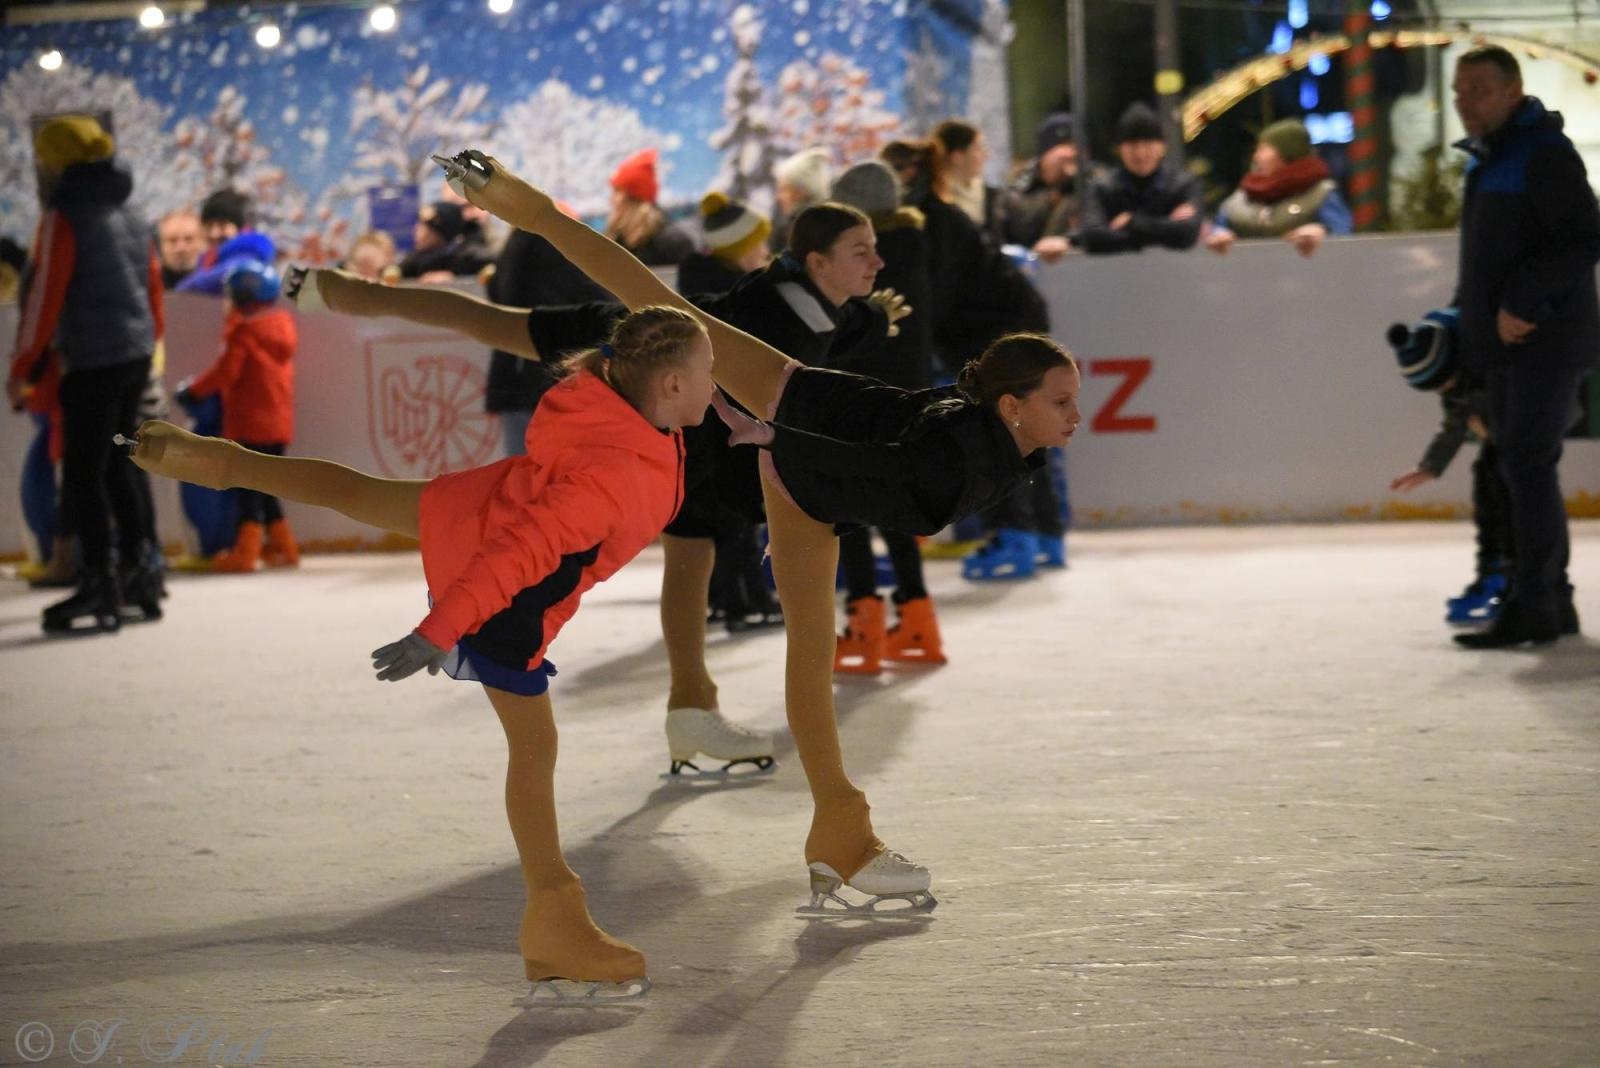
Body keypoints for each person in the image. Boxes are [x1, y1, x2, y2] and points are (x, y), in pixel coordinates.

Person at [459, 152, 1082, 914]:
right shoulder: (958, 450)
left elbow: (883, 469)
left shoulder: (1003, 445)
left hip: (816, 478)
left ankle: (836, 828)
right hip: (801, 416)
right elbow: (871, 457)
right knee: (652, 299)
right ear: (1014, 407)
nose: (1077, 417)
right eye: (1061, 401)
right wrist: (767, 437)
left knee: (811, 651)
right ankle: (525, 205)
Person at [128, 303, 712, 1000]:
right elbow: (515, 556)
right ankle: (554, 918)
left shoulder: (626, 412)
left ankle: (217, 461)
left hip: (478, 504)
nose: (718, 383)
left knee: (356, 492)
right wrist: (438, 631)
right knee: (535, 751)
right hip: (501, 597)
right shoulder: (610, 474)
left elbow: (648, 460)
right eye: (709, 372)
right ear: (671, 386)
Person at [285, 198, 901, 775]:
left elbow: (815, 352)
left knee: (692, 554)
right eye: (861, 250)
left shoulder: (818, 306)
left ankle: (692, 705)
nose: (877, 261)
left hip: (675, 424)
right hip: (634, 365)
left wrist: (870, 320)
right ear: (817, 263)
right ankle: (341, 289)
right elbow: (762, 358)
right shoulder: (772, 302)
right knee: (483, 320)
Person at [1448, 45, 1597, 648]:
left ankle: (1536, 600)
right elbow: (1483, 262)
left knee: (1526, 465)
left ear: (1513, 92)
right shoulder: (1488, 160)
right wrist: (1464, 329)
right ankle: (1550, 600)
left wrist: (1522, 303)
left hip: (1545, 338)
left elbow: (1586, 238)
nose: (1465, 102)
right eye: (1460, 92)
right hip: (1507, 342)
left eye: (1478, 90)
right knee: (1521, 464)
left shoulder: (1544, 154)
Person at [5, 115, 164, 632]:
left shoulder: (63, 217)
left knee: (82, 472)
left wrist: (22, 366)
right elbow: (152, 289)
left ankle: (99, 580)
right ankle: (141, 571)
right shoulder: (132, 211)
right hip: (133, 357)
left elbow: (44, 295)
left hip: (93, 363)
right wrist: (147, 341)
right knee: (120, 459)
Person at [880, 138, 1064, 577]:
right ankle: (1045, 535)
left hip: (994, 328)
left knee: (1000, 431)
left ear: (907, 174)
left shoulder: (927, 222)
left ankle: (1015, 536)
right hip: (1009, 319)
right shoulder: (936, 215)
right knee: (1024, 426)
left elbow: (935, 298)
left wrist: (912, 350)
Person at [826, 160, 944, 673]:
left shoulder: (858, 259)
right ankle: (917, 617)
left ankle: (863, 627)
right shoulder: (913, 250)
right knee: (894, 506)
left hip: (858, 395)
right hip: (907, 394)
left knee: (846, 509)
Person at [1385, 308, 1512, 624]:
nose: (1444, 389)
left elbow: (1527, 418)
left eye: (1445, 381)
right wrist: (1430, 466)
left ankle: (1516, 578)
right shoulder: (1454, 377)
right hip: (1501, 443)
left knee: (1509, 493)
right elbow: (1456, 421)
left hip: (1523, 439)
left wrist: (1496, 433)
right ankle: (1492, 573)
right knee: (1486, 481)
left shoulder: (1489, 364)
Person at [177, 259, 299, 572]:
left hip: (250, 425)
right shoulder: (281, 328)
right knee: (268, 489)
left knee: (248, 492)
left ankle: (245, 554)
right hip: (278, 425)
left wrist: (194, 391)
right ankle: (285, 548)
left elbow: (226, 373)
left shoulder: (245, 332)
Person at [1203, 119, 1352, 258]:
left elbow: (1343, 237)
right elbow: (1221, 227)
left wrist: (1322, 233)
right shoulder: (1244, 195)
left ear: (1287, 152)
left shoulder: (1321, 193)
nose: (1256, 157)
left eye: (1263, 150)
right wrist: (1220, 236)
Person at [1076, 103, 1205, 255]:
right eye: (1132, 145)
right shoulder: (1102, 188)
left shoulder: (1183, 185)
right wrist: (1163, 230)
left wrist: (1133, 223)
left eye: (1148, 144)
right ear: (1120, 149)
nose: (1140, 153)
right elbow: (1093, 238)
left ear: (1162, 147)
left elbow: (1187, 233)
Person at [992, 112, 1092, 264]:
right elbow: (1001, 242)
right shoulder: (1014, 194)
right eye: (1067, 145)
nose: (1075, 153)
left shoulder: (1096, 187)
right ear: (1046, 152)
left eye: (1080, 147)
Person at [604, 149, 693, 267]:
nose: (611, 200)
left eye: (617, 192)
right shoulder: (615, 240)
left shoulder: (671, 242)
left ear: (633, 198)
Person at [398, 201, 494, 282]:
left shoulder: (471, 257)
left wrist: (456, 279)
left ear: (441, 232)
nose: (416, 231)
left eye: (425, 226)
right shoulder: (414, 260)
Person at [769, 146, 832, 253]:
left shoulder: (793, 233)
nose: (778, 197)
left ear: (801, 192)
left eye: (783, 189)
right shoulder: (835, 228)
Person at [156, 209, 204, 288]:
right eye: (172, 240)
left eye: (189, 239)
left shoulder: (220, 285)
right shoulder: (148, 289)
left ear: (202, 242)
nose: (180, 248)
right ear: (161, 246)